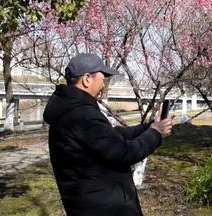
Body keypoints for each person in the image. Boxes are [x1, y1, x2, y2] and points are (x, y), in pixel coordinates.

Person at [43, 53, 174, 216]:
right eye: (102, 78)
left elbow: (111, 136)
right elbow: (125, 152)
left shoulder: (71, 109)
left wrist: (151, 126)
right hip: (104, 208)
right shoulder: (81, 115)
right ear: (86, 79)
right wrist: (156, 133)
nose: (104, 85)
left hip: (90, 203)